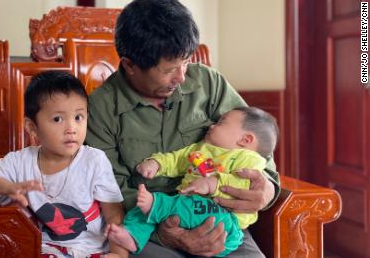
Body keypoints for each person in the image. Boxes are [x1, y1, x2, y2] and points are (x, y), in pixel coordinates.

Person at [85, 0, 281, 257]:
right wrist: (168, 231)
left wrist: (267, 188)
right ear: (130, 65)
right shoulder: (101, 108)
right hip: (149, 226)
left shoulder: (209, 84)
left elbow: (257, 148)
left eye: (186, 62)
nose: (181, 77)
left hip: (219, 221)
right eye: (169, 70)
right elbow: (113, 191)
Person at [0, 71, 128, 258]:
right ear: (32, 128)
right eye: (57, 119)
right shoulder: (20, 162)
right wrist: (5, 186)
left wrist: (118, 255)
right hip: (45, 250)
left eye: (78, 117)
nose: (71, 128)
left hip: (92, 249)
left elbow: (115, 217)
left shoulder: (94, 161)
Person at [105, 107, 279, 257]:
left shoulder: (248, 158)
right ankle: (132, 237)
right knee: (143, 210)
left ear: (245, 140)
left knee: (157, 204)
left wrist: (212, 184)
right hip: (186, 206)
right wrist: (157, 163)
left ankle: (156, 207)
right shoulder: (201, 149)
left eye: (220, 123)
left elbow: (246, 184)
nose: (211, 125)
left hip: (222, 217)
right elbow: (177, 159)